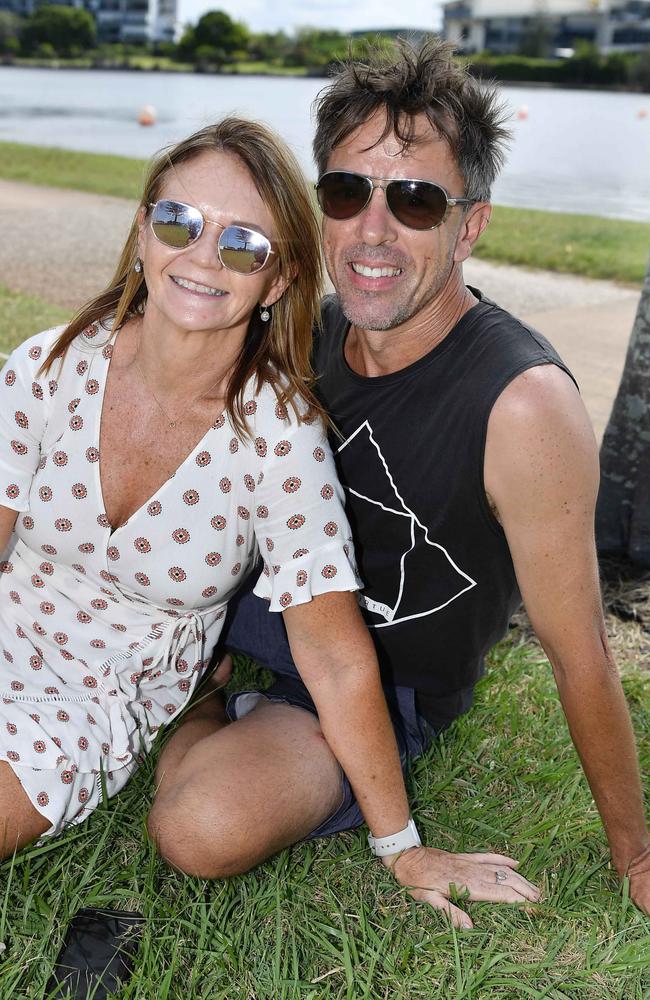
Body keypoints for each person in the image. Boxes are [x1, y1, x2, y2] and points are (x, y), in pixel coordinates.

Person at [151, 43, 650, 927]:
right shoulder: (303, 332)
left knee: (202, 826)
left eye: (416, 202)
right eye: (347, 194)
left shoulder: (521, 404)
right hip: (260, 620)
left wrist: (637, 856)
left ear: (471, 225)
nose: (373, 233)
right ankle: (196, 683)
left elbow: (581, 654)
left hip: (372, 686)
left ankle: (200, 703)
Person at [0, 118, 543, 912]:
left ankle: (201, 702)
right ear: (143, 230)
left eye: (242, 244)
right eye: (179, 221)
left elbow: (333, 653)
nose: (200, 257)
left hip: (93, 693)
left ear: (281, 277)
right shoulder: (47, 366)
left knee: (191, 828)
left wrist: (403, 848)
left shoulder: (277, 440)